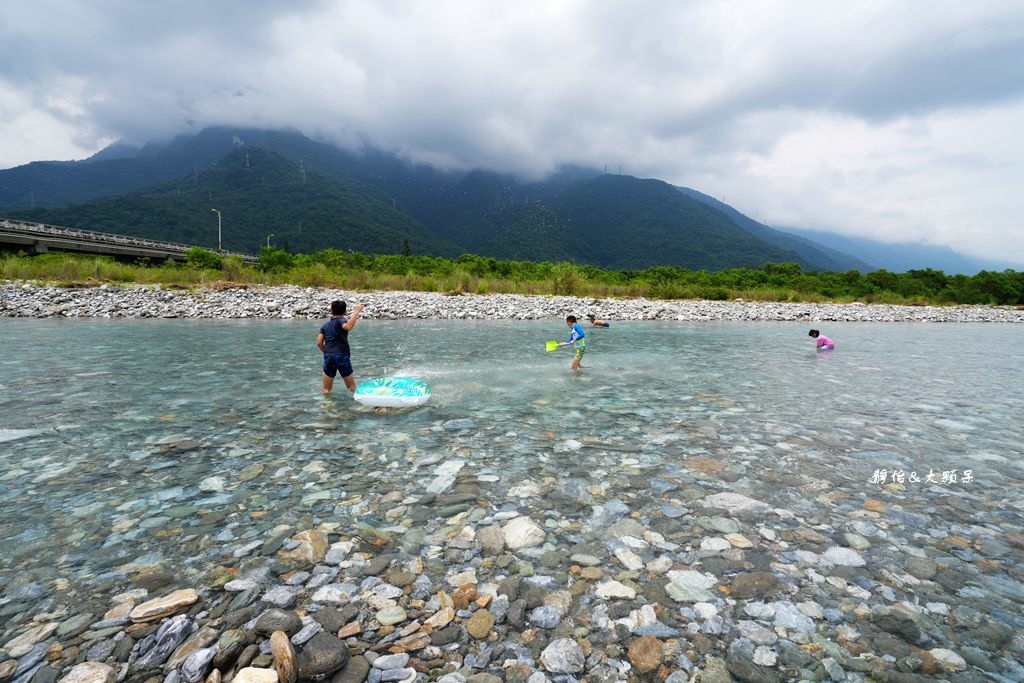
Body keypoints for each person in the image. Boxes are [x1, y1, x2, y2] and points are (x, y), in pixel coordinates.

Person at [317, 300, 364, 395]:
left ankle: (326, 406)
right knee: (352, 387)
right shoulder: (341, 320)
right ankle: (357, 404)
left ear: (331, 311)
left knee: (326, 389)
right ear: (345, 312)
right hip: (342, 356)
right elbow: (347, 326)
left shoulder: (325, 326)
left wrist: (327, 352)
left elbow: (319, 343)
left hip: (329, 357)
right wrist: (356, 312)